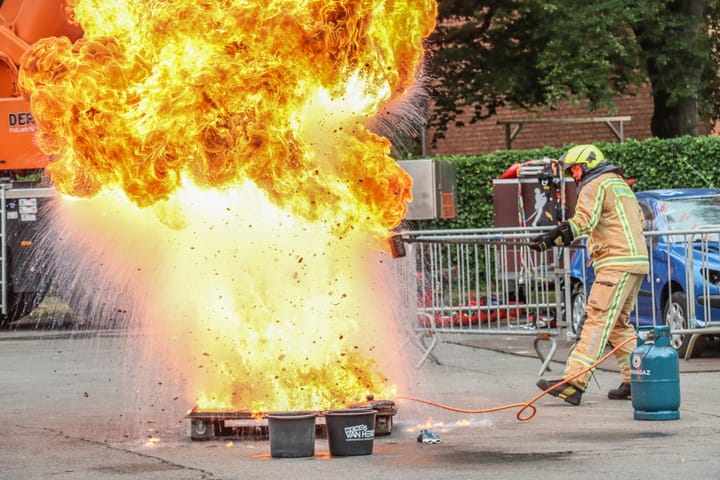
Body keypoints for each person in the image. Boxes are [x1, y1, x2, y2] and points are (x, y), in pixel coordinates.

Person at [529, 144, 649, 405]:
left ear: (586, 166)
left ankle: (574, 382)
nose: (574, 176)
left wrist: (550, 239)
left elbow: (584, 220)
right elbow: (637, 221)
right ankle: (637, 380)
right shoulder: (619, 184)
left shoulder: (594, 185)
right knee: (618, 325)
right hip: (636, 261)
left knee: (596, 319)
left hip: (615, 263)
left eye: (575, 170)